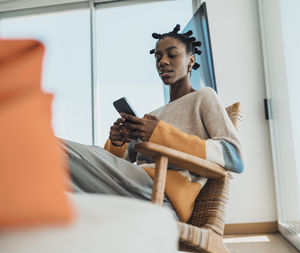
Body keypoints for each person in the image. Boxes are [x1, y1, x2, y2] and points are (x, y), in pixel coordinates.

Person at [61, 24, 244, 222]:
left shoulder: (203, 97)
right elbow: (120, 162)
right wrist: (117, 142)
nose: (162, 61)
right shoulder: (153, 115)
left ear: (191, 60)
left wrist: (160, 134)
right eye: (158, 57)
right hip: (131, 185)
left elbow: (233, 157)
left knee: (53, 150)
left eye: (172, 55)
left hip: (163, 195)